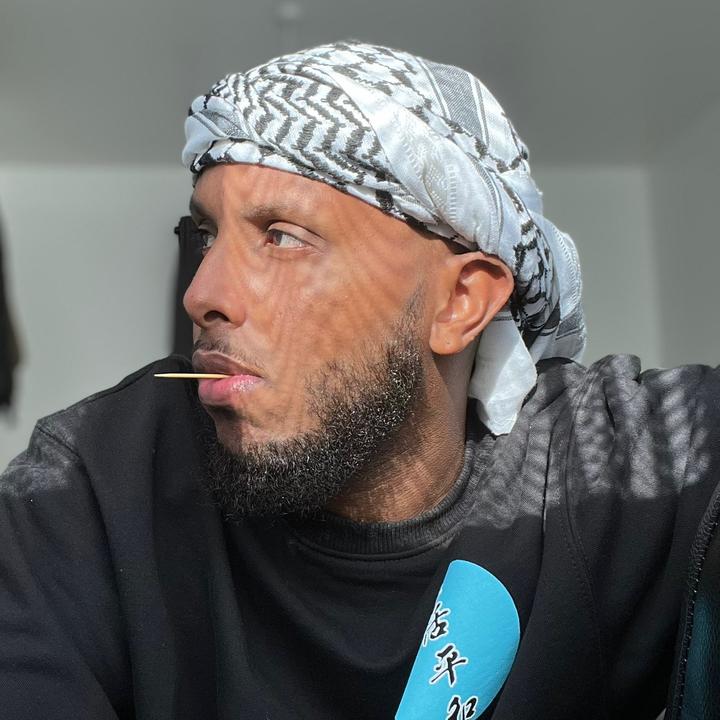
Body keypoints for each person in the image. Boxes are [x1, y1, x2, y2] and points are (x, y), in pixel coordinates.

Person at [0, 40, 718, 720]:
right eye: (206, 236)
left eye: (282, 236)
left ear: (460, 302)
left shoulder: (615, 461)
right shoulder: (93, 483)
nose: (202, 293)